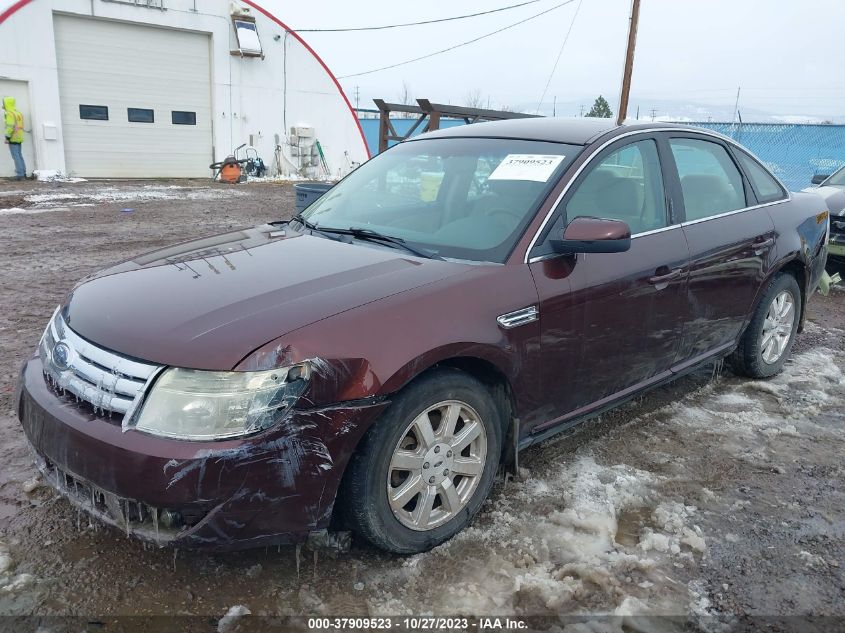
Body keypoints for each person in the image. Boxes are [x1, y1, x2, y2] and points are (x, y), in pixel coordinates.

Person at [3, 96, 26, 180]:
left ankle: (20, 175)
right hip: (19, 136)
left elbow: (10, 127)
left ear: (6, 103)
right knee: (19, 155)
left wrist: (7, 138)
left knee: (15, 156)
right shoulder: (17, 113)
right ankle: (23, 173)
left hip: (13, 137)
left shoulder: (9, 113)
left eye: (3, 103)